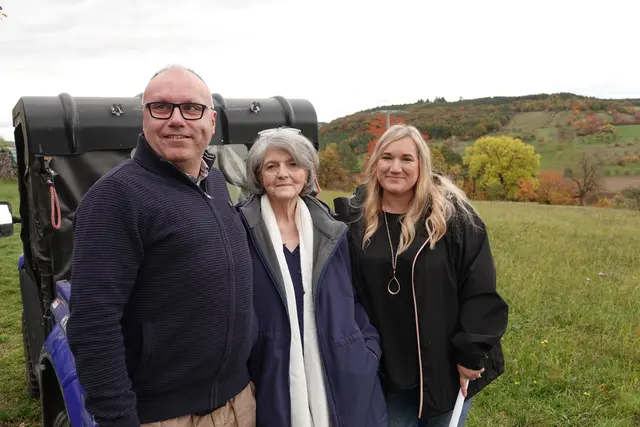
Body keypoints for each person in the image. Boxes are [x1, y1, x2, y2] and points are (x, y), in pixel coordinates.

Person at [66, 65, 256, 427]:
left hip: (240, 402)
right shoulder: (116, 196)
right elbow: (93, 324)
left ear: (211, 121)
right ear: (145, 117)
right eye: (162, 107)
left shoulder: (215, 183)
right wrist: (118, 419)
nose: (177, 119)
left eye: (191, 108)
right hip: (165, 416)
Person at [338, 124, 509, 427]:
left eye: (407, 159)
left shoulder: (453, 218)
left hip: (445, 368)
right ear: (375, 163)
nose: (395, 167)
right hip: (387, 371)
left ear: (422, 165)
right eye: (387, 157)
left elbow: (479, 288)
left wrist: (471, 353)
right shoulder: (354, 219)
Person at [237, 128, 388, 426]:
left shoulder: (332, 231)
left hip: (343, 370)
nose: (283, 173)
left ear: (306, 172)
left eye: (293, 164)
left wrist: (366, 349)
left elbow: (353, 297)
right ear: (259, 175)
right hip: (269, 373)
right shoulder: (240, 230)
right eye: (272, 166)